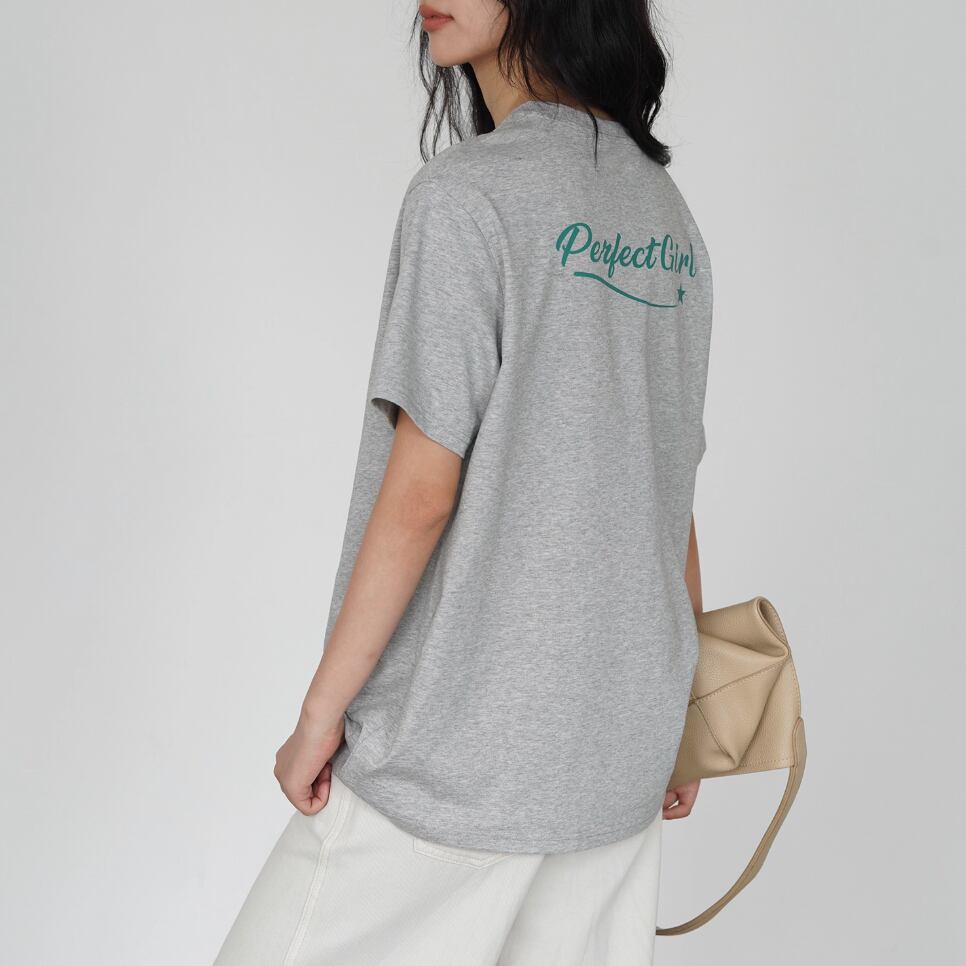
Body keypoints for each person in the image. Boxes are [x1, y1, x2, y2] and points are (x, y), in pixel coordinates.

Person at [214, 1, 711, 963]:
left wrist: (319, 717)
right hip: (617, 756)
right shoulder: (667, 218)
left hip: (457, 755)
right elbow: (667, 484)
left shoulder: (467, 196)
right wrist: (683, 714)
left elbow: (421, 495)